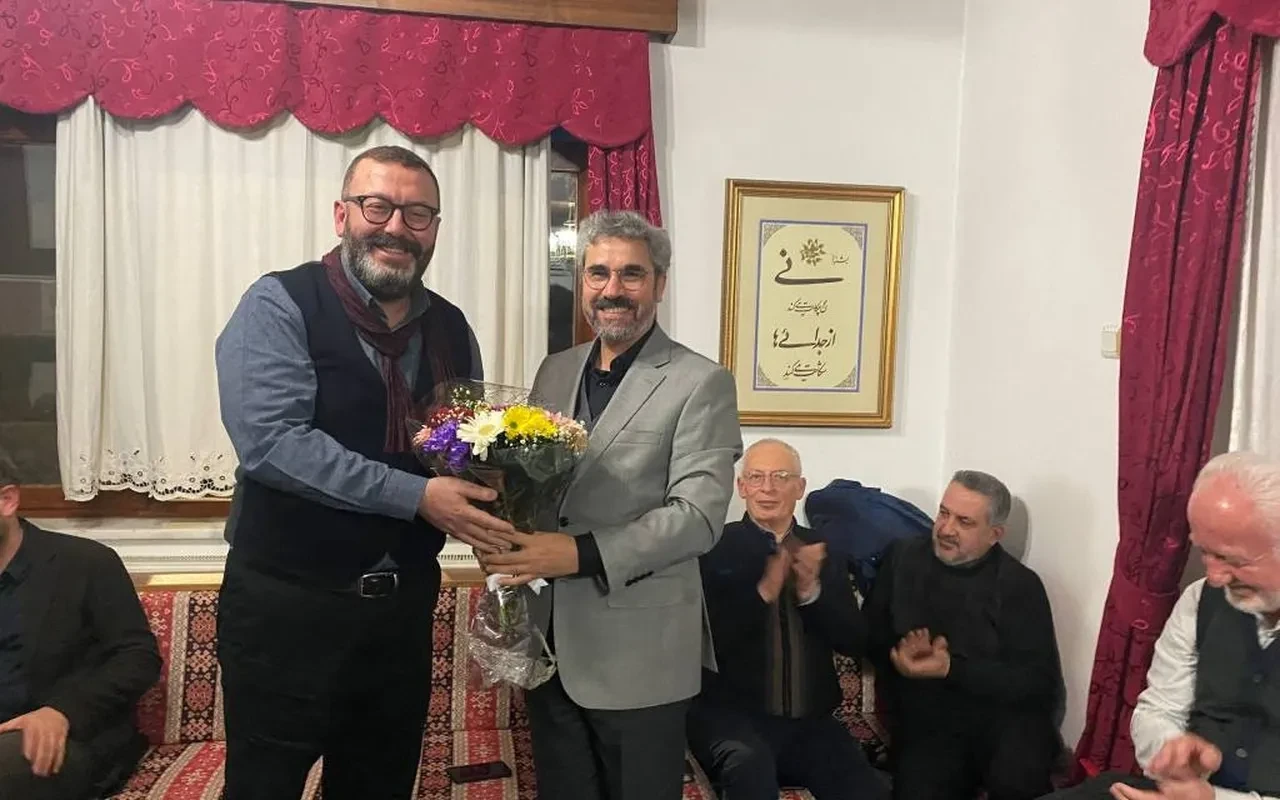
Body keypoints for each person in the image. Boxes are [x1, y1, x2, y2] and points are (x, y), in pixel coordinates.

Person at [213, 145, 515, 800]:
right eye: (377, 207)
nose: (396, 227)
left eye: (417, 214)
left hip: (401, 615)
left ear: (434, 229)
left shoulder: (452, 327)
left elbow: (460, 447)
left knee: (379, 786)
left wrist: (496, 491)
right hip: (287, 611)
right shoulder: (279, 303)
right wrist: (420, 496)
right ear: (342, 215)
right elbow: (273, 443)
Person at [476, 209, 743, 800]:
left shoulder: (701, 381)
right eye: (598, 273)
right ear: (582, 282)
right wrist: (497, 525)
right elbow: (538, 487)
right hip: (548, 646)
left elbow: (698, 518)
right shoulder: (555, 370)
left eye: (631, 274)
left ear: (660, 283)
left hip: (640, 656)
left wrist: (576, 553)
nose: (612, 289)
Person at [1044, 451, 1280, 800]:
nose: (1215, 577)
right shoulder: (1200, 599)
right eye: (1205, 553)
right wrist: (1172, 753)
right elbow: (1159, 708)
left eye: (1232, 560)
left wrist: (1214, 799)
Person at [689, 438, 888, 800]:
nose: (768, 488)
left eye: (781, 477)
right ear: (741, 487)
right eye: (757, 477)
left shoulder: (823, 551)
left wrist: (811, 592)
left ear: (800, 487)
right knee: (749, 768)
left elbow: (853, 640)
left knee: (868, 791)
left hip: (810, 723)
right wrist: (764, 592)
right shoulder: (713, 549)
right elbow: (705, 646)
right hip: (732, 721)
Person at [865, 469, 1064, 800]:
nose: (946, 529)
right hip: (930, 722)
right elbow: (871, 634)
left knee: (1017, 779)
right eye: (943, 513)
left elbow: (1037, 683)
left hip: (1004, 720)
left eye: (964, 522)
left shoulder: (1019, 585)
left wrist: (951, 669)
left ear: (995, 534)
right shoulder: (902, 558)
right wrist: (898, 655)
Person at [0, 448, 161, 799]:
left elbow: (137, 658)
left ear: (7, 501)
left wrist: (61, 712)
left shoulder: (86, 563)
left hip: (64, 737)